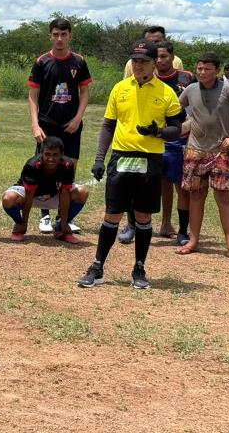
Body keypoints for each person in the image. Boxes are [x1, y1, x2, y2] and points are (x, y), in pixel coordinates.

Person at [78, 39, 183, 289]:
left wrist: (158, 132)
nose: (138, 65)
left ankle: (139, 268)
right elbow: (108, 125)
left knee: (143, 216)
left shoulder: (167, 92)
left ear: (153, 63)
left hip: (150, 159)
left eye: (143, 61)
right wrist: (100, 158)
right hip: (122, 157)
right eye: (135, 61)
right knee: (112, 213)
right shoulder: (120, 88)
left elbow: (176, 129)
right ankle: (97, 267)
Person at [176, 52, 229, 263]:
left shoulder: (228, 89)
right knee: (196, 196)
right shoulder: (190, 90)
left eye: (207, 69)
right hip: (195, 150)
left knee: (223, 198)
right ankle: (193, 240)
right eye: (200, 68)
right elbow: (175, 110)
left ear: (217, 70)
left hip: (221, 150)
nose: (202, 72)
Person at [119, 25, 183, 242]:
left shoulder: (176, 62)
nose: (154, 45)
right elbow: (128, 89)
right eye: (150, 41)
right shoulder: (132, 63)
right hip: (139, 135)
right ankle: (131, 223)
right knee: (132, 180)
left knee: (167, 180)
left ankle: (166, 222)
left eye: (157, 41)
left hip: (167, 130)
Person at [27, 17, 91, 234]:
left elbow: (85, 92)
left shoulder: (79, 62)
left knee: (68, 168)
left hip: (71, 126)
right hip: (47, 125)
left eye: (64, 34)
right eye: (56, 34)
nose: (60, 39)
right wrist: (35, 125)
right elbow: (33, 96)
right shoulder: (41, 62)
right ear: (50, 36)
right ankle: (44, 216)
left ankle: (63, 218)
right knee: (44, 167)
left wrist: (78, 118)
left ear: (70, 36)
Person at [1, 137, 88, 244]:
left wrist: (65, 224)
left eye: (55, 154)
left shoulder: (68, 165)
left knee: (82, 192)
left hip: (54, 195)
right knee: (8, 198)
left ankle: (60, 228)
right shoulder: (32, 165)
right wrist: (24, 223)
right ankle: (19, 224)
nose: (51, 158)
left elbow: (65, 194)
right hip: (30, 196)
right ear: (41, 153)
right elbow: (29, 196)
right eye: (47, 154)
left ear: (62, 154)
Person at [154, 41, 195, 245]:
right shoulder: (149, 77)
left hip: (181, 140)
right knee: (163, 183)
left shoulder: (186, 77)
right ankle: (164, 223)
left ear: (172, 57)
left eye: (164, 56)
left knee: (182, 186)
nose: (160, 60)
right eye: (157, 57)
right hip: (156, 139)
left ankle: (183, 230)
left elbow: (195, 106)